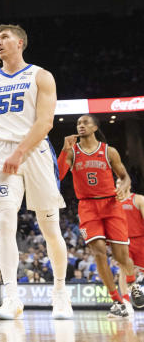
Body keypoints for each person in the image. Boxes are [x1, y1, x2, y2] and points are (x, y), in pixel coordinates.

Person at [0, 24, 72, 320]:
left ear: (20, 43)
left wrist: (20, 153)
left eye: (4, 38)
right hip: (2, 152)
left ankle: (60, 293)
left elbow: (45, 122)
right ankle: (12, 298)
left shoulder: (41, 76)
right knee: (4, 222)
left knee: (50, 228)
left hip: (36, 152)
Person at [57, 115, 144, 317]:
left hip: (112, 205)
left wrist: (124, 186)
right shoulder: (72, 151)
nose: (81, 125)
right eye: (78, 123)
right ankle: (117, 300)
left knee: (122, 256)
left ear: (95, 127)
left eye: (85, 122)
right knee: (98, 253)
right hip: (87, 206)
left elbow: (124, 176)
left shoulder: (109, 151)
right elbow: (59, 175)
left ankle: (133, 285)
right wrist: (64, 149)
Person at [119, 191, 144, 297]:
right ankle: (126, 302)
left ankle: (134, 288)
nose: (118, 186)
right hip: (123, 241)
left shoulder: (138, 199)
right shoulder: (113, 201)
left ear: (128, 184)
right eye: (117, 183)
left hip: (140, 239)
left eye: (121, 182)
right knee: (123, 271)